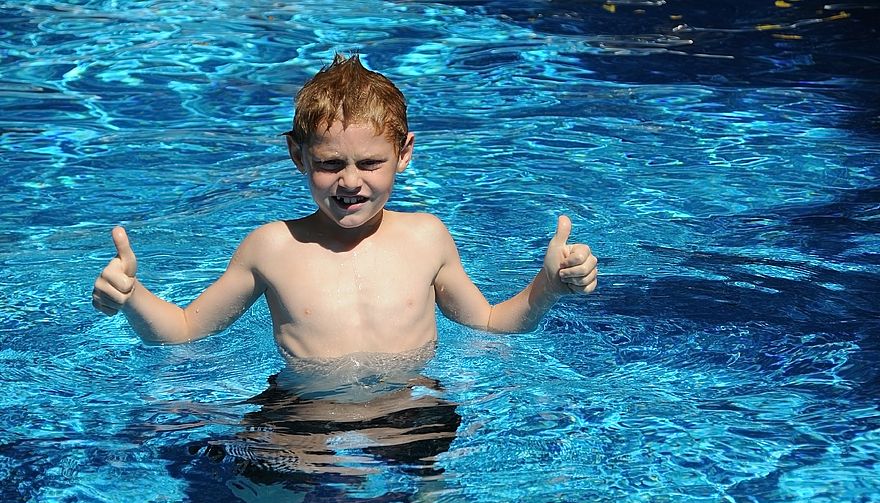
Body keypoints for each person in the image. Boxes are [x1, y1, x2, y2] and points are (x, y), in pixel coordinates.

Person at [91, 52, 598, 359]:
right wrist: (131, 297)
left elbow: (489, 323)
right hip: (303, 408)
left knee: (430, 477)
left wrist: (547, 286)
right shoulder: (272, 247)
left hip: (410, 402)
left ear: (404, 154)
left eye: (370, 163)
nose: (350, 182)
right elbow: (183, 332)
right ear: (298, 155)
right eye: (331, 163)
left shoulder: (426, 237)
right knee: (265, 478)